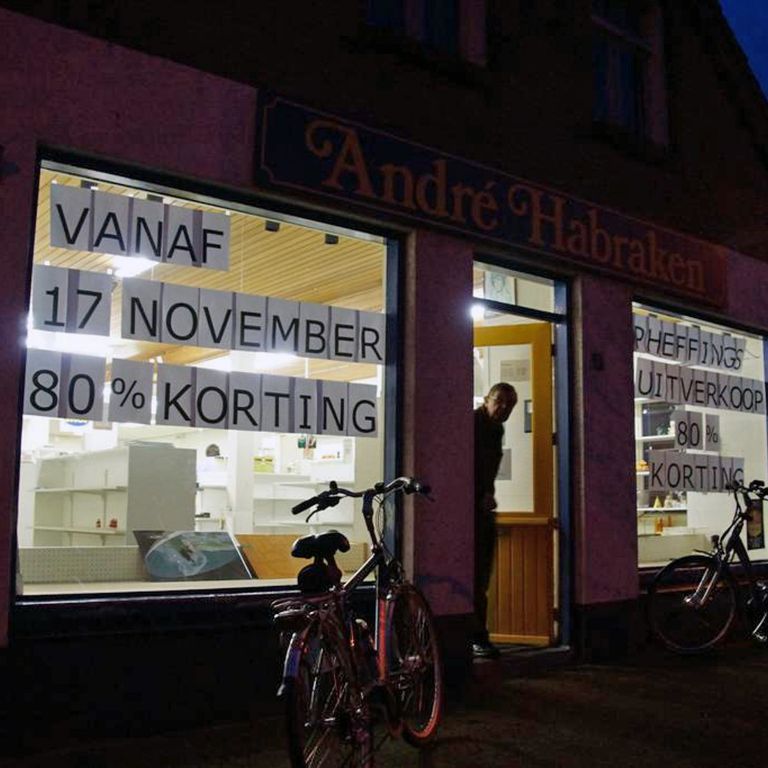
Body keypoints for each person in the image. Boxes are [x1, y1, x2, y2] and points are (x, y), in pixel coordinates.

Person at [473, 382, 518, 658]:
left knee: (481, 578)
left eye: (509, 405)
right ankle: (477, 636)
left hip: (482, 511)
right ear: (486, 399)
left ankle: (478, 635)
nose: (503, 408)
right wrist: (480, 495)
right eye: (499, 401)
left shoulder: (496, 430)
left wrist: (487, 495)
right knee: (476, 577)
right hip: (470, 512)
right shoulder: (472, 425)